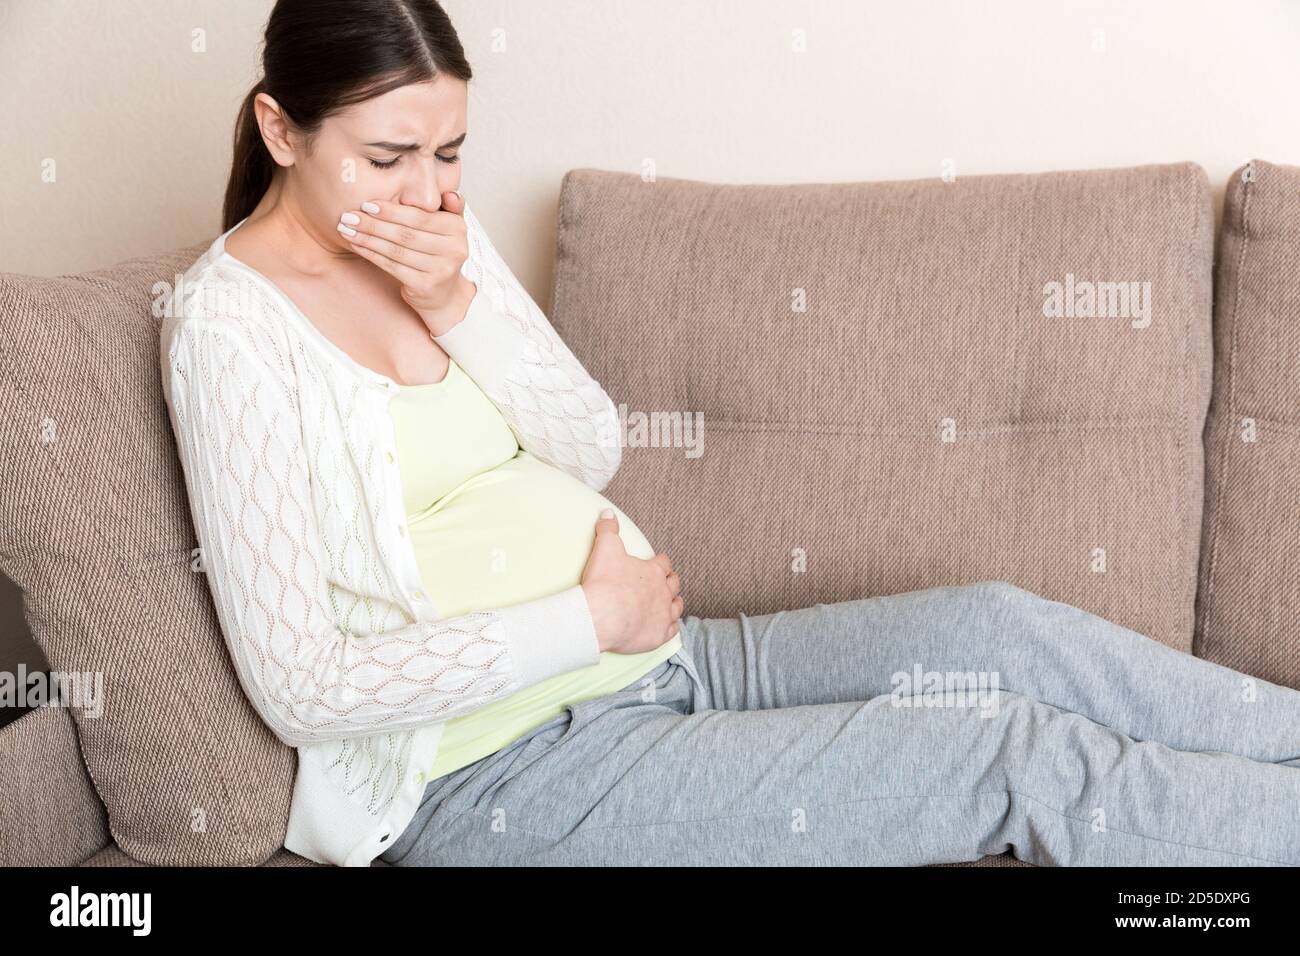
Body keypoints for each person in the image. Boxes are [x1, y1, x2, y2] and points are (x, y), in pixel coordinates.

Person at [160, 0, 1300, 867]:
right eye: (386, 156)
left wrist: (461, 300)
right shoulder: (226, 331)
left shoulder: (431, 243)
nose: (424, 190)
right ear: (280, 127)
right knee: (1005, 747)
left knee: (1000, 631)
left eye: (449, 153)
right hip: (498, 765)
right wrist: (582, 617)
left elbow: (589, 444)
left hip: (664, 656)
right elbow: (302, 685)